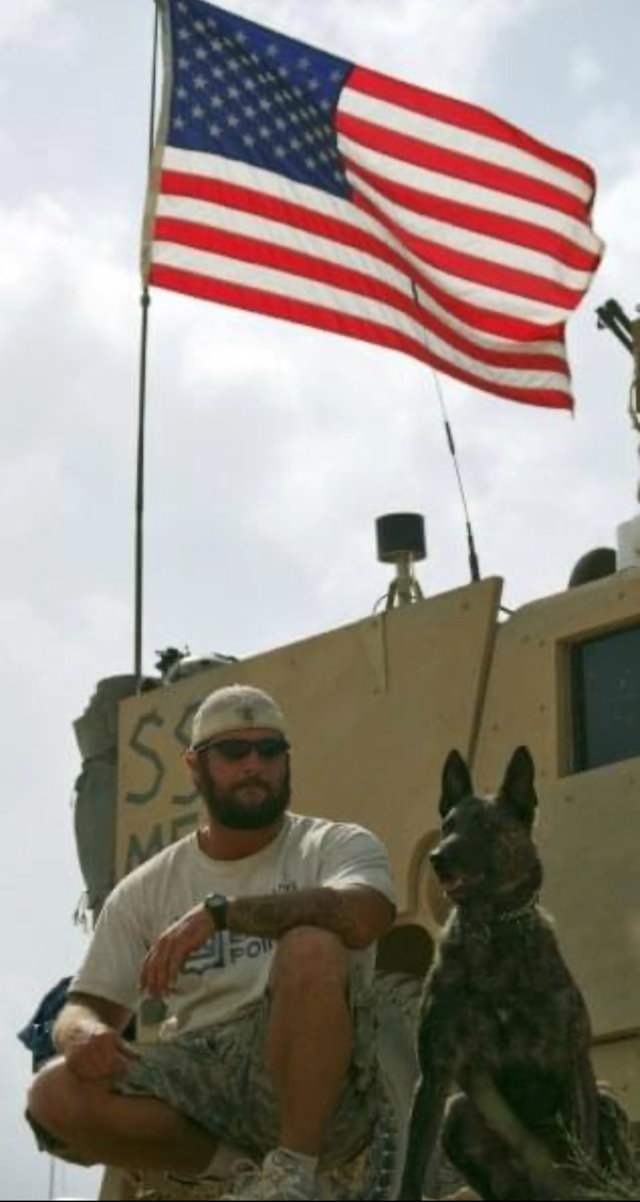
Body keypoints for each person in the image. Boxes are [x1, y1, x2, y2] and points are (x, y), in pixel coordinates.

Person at [27, 684, 396, 1201]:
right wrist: (83, 1034)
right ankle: (243, 1174)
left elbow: (366, 915)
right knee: (52, 1094)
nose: (254, 765)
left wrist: (224, 915)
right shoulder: (150, 888)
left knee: (312, 945)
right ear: (194, 766)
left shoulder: (333, 845)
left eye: (270, 752)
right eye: (233, 752)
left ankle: (293, 1171)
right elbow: (86, 1004)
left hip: (319, 1079)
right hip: (201, 1071)